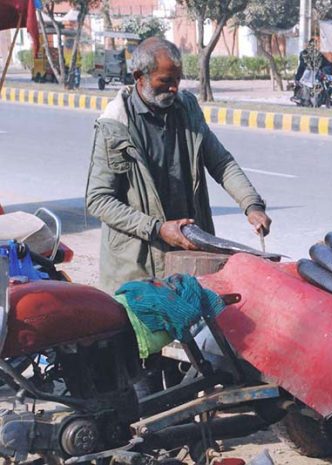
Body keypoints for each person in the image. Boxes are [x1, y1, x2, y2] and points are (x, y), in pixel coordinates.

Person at [86, 37, 272, 295]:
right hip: (138, 266)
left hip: (188, 256)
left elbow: (221, 162)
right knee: (147, 332)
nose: (173, 88)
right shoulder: (115, 126)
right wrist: (158, 229)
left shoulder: (187, 109)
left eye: (177, 80)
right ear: (139, 76)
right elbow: (99, 200)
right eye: (165, 81)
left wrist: (251, 205)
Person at [292, 38, 332, 104]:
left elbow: (325, 63)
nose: (315, 46)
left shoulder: (319, 54)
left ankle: (327, 98)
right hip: (306, 72)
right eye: (313, 44)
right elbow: (303, 65)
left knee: (324, 81)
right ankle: (302, 99)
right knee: (307, 83)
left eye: (316, 45)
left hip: (316, 72)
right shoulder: (304, 53)